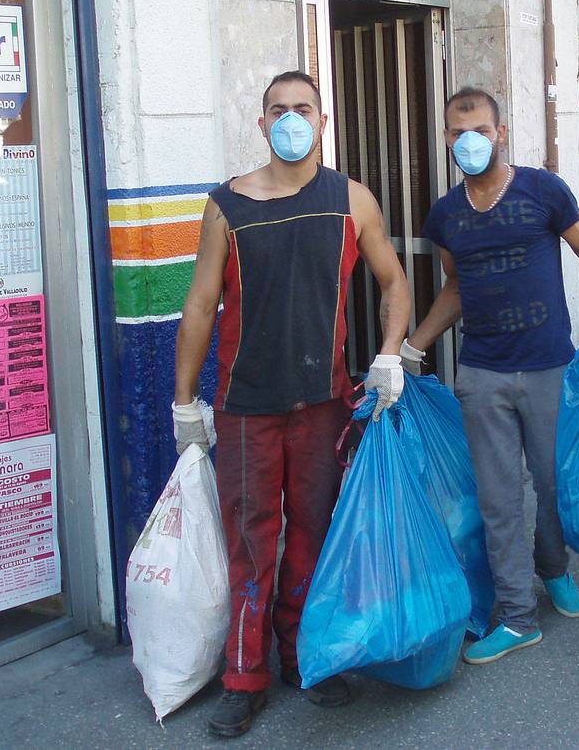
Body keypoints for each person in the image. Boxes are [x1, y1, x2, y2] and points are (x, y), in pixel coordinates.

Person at [172, 70, 410, 738]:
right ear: (261, 124)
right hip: (244, 405)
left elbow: (394, 281)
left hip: (323, 403)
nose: (290, 119)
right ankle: (243, 677)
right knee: (251, 543)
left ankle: (306, 657)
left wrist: (390, 353)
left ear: (323, 121)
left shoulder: (350, 200)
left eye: (302, 108)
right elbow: (198, 306)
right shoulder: (226, 206)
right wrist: (183, 400)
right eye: (277, 110)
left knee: (313, 533)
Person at [401, 87, 579, 664]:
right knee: (499, 498)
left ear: (499, 132)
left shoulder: (543, 189)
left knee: (553, 485)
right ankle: (518, 615)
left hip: (550, 365)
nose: (467, 140)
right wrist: (410, 347)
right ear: (446, 138)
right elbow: (457, 286)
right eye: (456, 131)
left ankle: (553, 567)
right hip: (482, 373)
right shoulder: (446, 215)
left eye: (478, 128)